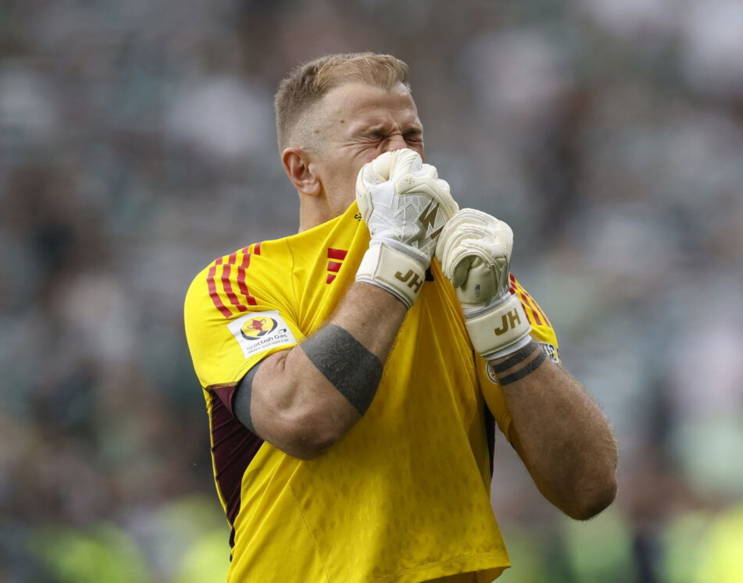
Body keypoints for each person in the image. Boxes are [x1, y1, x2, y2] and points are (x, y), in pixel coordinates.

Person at [184, 52, 617, 583]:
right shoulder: (242, 280)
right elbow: (302, 419)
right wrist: (396, 256)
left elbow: (588, 488)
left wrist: (497, 319)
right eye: (374, 138)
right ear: (303, 170)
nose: (403, 155)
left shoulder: (475, 276)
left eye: (412, 136)